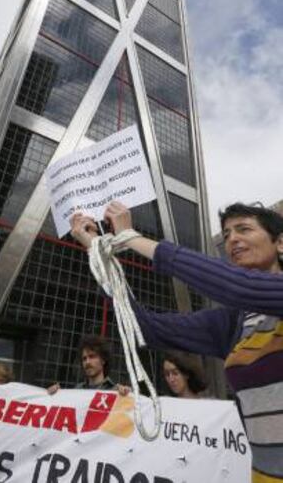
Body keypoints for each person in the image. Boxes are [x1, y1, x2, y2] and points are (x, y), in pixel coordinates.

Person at [71, 201, 283, 483]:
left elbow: (238, 286)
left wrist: (131, 237)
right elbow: (144, 328)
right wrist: (97, 250)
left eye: (244, 229)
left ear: (280, 242)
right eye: (227, 233)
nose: (232, 238)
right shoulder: (232, 323)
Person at [48, 335, 129, 395]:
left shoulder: (115, 391)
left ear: (103, 360)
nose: (87, 362)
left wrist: (127, 395)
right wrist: (54, 396)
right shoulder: (76, 391)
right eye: (84, 359)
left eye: (92, 356)